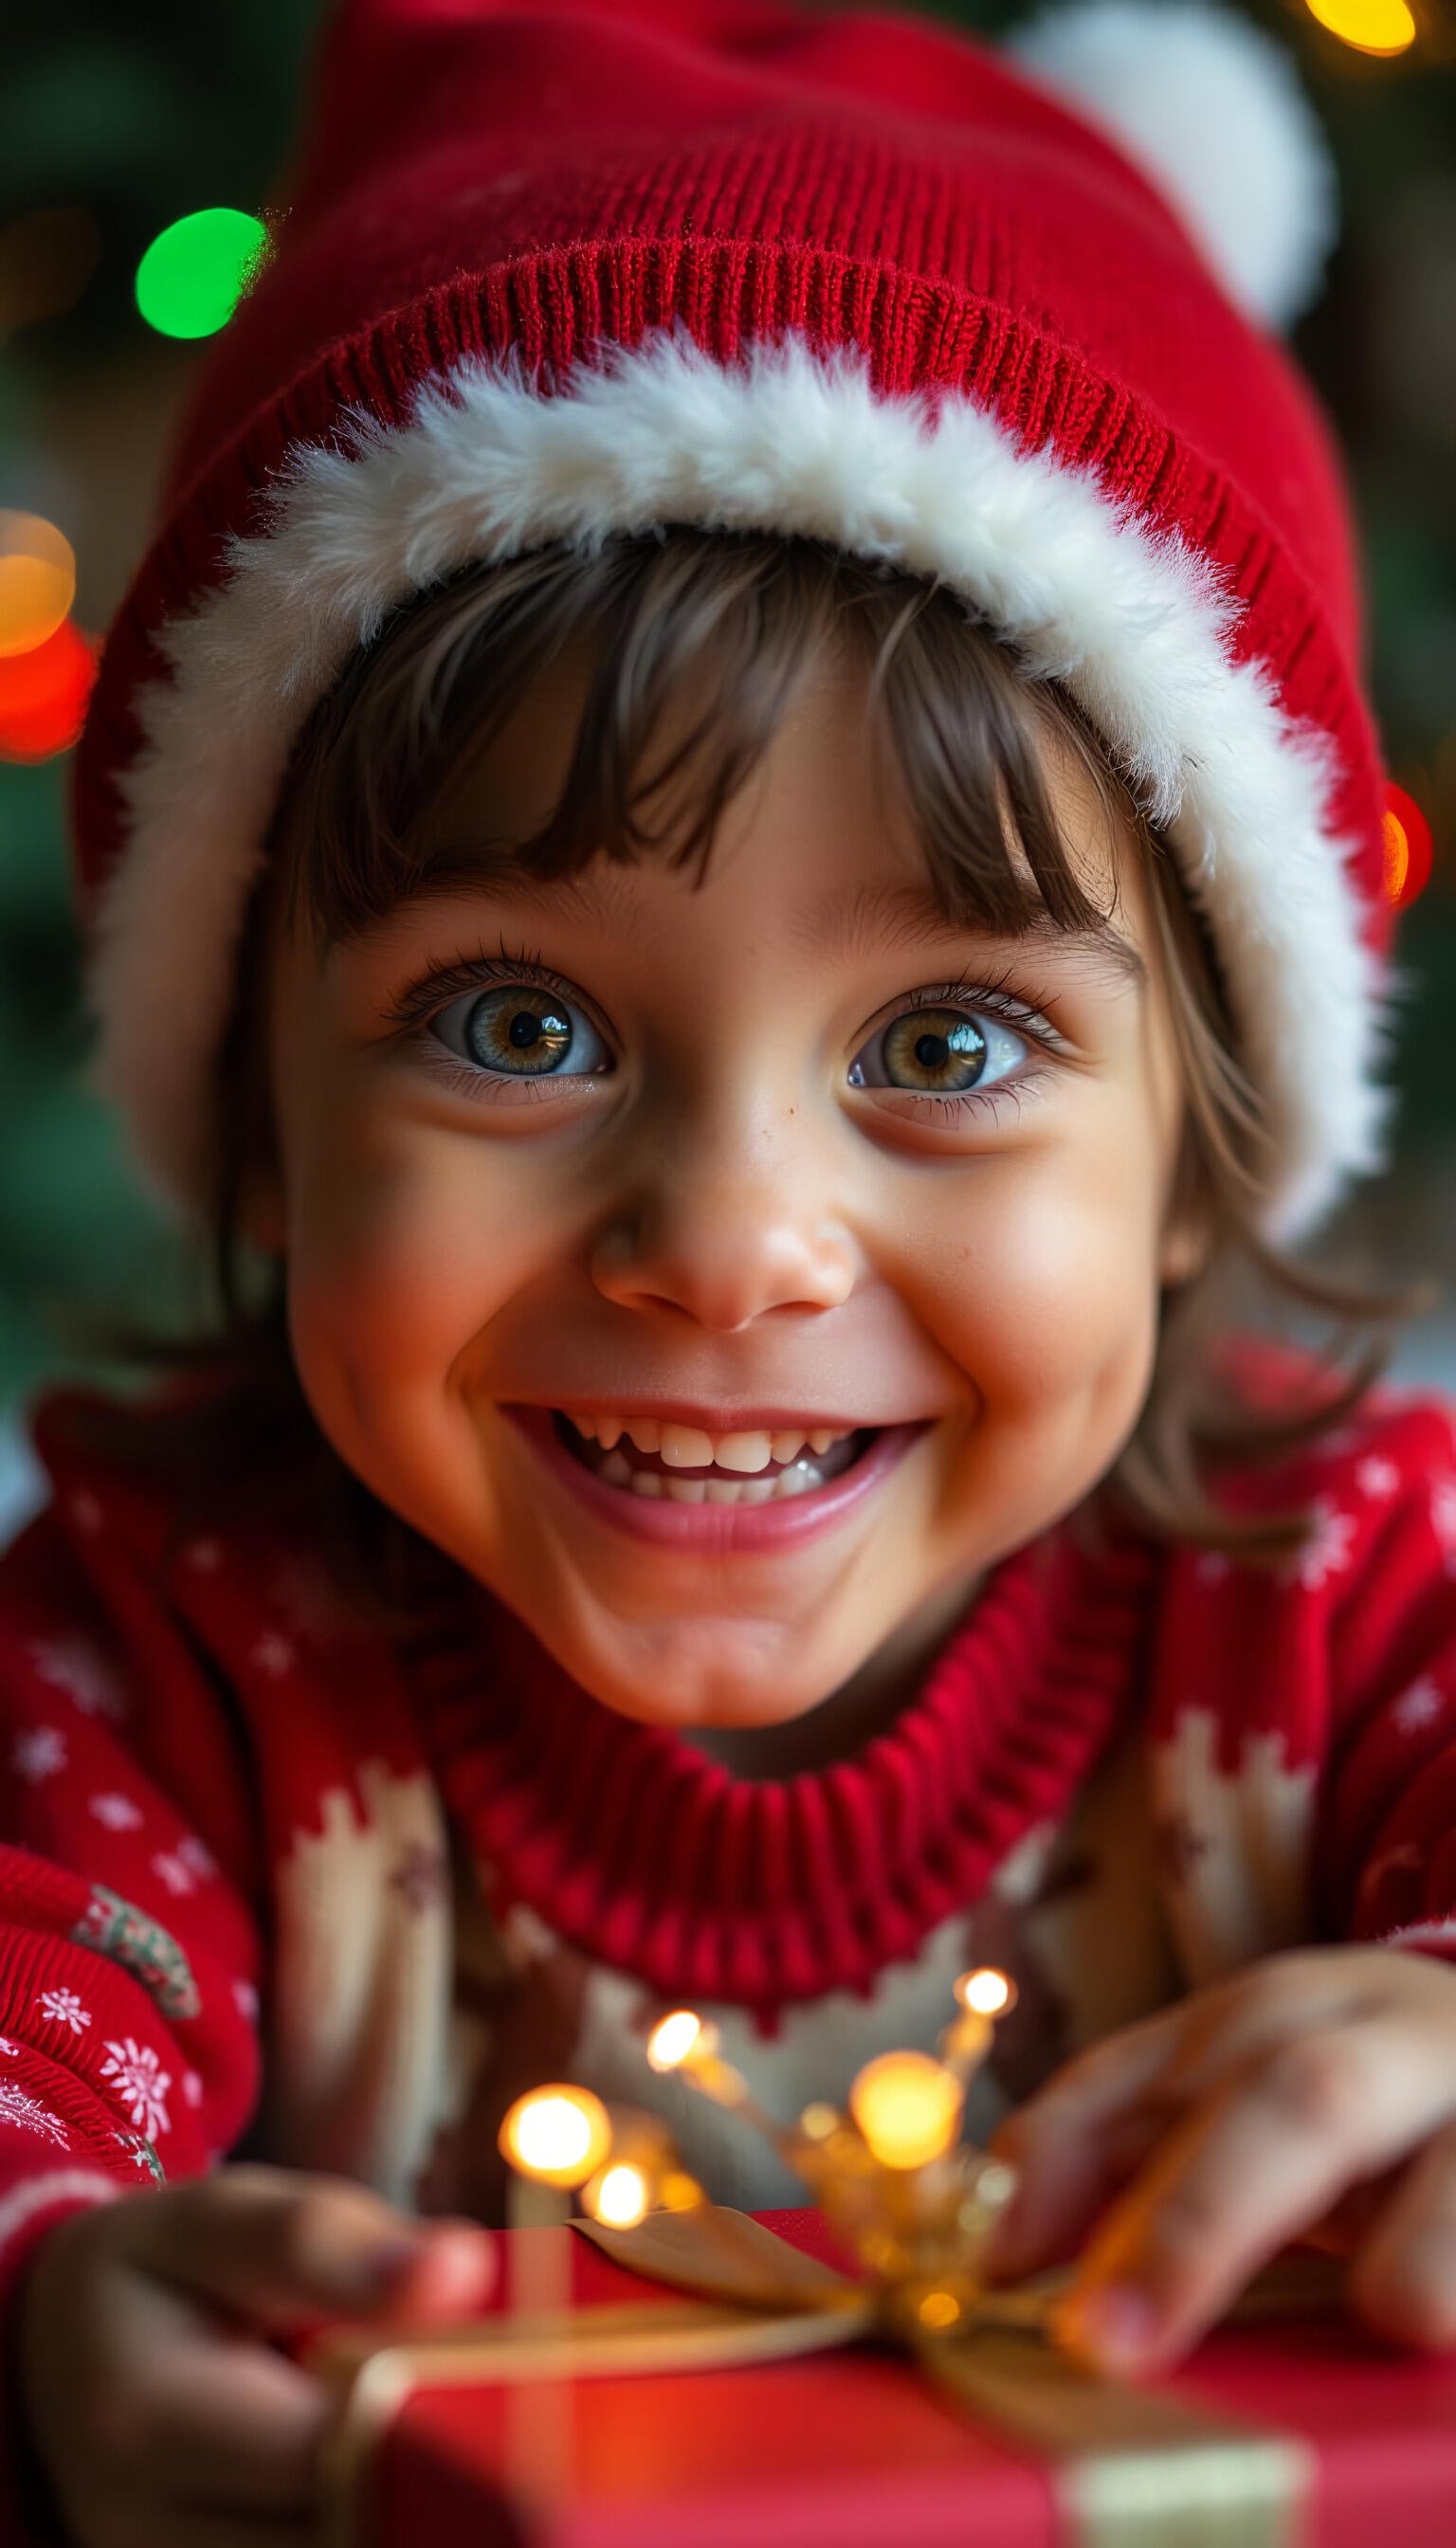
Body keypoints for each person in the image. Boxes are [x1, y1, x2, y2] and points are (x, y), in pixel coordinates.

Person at [4, 0, 1455, 2536]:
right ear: (261, 1117)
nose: (727, 1246)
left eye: (950, 1043)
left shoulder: (1349, 1602)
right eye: (518, 1023)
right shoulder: (167, 1660)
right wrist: (33, 2306)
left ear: (1195, 1167)